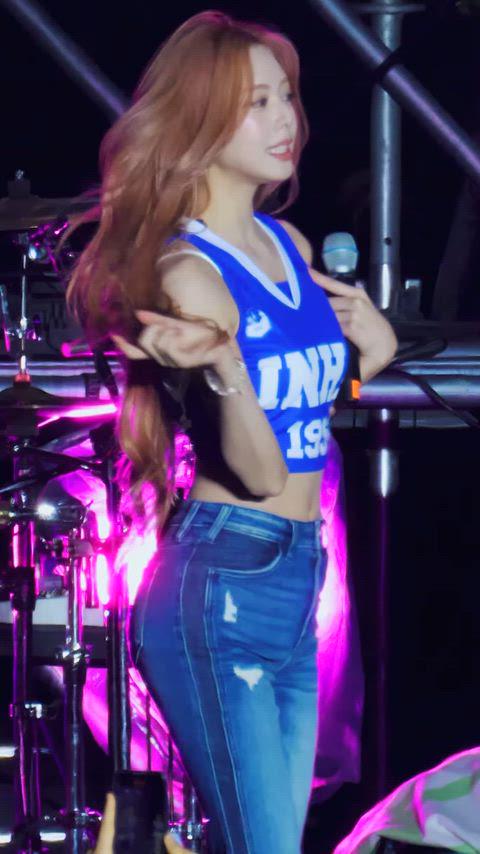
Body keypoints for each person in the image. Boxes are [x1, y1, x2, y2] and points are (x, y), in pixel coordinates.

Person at [68, 11, 397, 853]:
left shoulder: (286, 245)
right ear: (202, 123)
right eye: (257, 103)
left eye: (287, 96)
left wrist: (368, 362)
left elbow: (304, 414)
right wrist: (222, 365)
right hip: (223, 586)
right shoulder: (191, 273)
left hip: (296, 581)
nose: (287, 120)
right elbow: (258, 470)